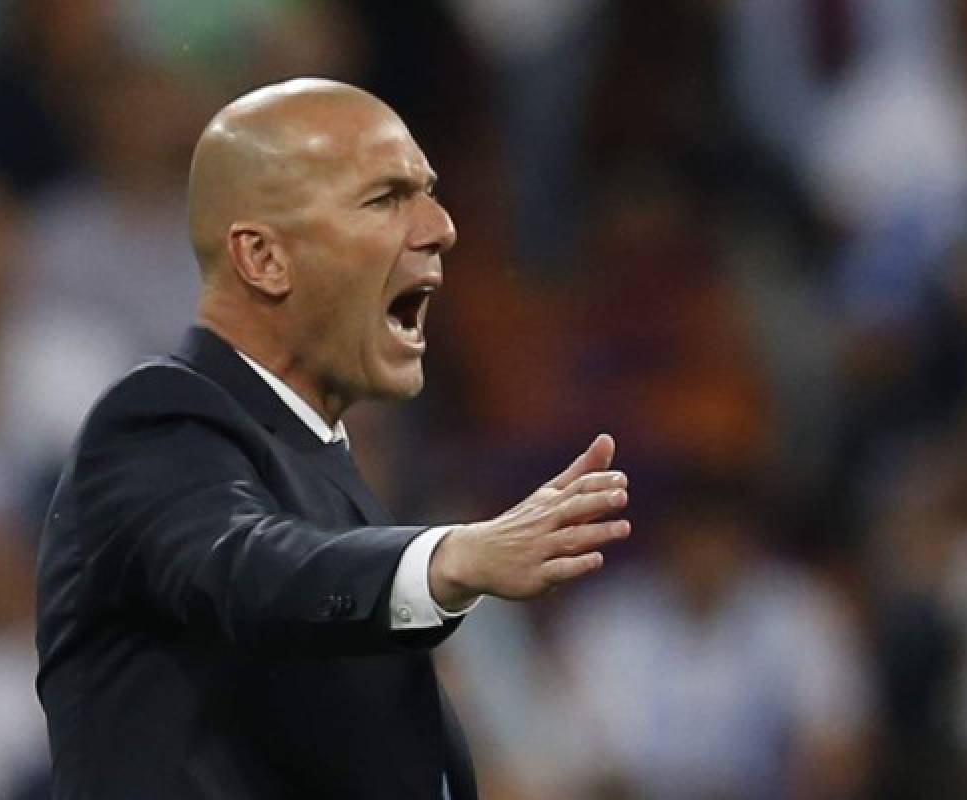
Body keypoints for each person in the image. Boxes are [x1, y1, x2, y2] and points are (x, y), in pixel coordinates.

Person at [35, 77, 631, 800]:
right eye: (385, 198)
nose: (441, 226)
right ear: (264, 259)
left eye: (430, 191)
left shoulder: (324, 472)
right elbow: (248, 567)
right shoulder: (158, 419)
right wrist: (453, 556)